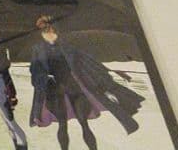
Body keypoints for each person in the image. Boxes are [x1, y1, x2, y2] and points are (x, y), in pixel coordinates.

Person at [29, 16, 143, 150]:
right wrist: (44, 77)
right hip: (55, 92)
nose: (49, 34)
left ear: (56, 31)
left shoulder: (68, 47)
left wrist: (113, 72)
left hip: (76, 89)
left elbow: (89, 61)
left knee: (84, 124)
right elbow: (35, 70)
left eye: (51, 31)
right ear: (42, 33)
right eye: (46, 32)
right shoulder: (38, 49)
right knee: (62, 125)